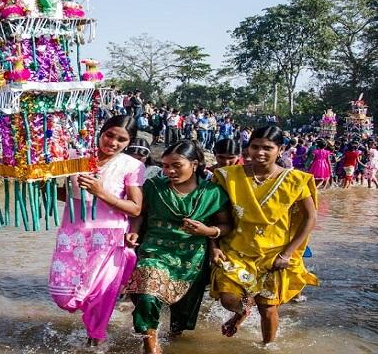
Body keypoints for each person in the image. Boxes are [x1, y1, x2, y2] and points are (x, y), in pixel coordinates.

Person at [210, 125, 318, 344]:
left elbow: (310, 218)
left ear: (280, 149)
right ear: (247, 148)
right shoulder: (227, 176)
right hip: (236, 249)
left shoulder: (294, 180)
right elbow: (213, 214)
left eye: (267, 148)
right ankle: (241, 311)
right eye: (255, 146)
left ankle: (267, 346)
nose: (259, 152)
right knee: (228, 299)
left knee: (267, 308)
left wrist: (288, 254)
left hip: (274, 254)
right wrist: (213, 245)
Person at [125, 140, 231, 354]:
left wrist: (208, 232)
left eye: (176, 165)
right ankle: (150, 344)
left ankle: (174, 337)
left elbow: (226, 224)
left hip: (192, 256)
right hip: (155, 251)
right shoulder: (154, 186)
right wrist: (134, 229)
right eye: (165, 165)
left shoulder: (213, 193)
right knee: (147, 293)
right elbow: (140, 212)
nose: (169, 171)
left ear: (194, 163)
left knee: (180, 319)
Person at [48, 115, 144, 345]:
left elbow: (135, 208)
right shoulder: (75, 157)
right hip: (73, 234)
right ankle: (91, 329)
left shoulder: (132, 166)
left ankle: (94, 340)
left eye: (121, 139)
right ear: (101, 131)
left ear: (128, 143)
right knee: (63, 295)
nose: (113, 142)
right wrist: (43, 184)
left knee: (101, 295)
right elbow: (67, 195)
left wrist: (100, 192)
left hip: (108, 239)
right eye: (110, 135)